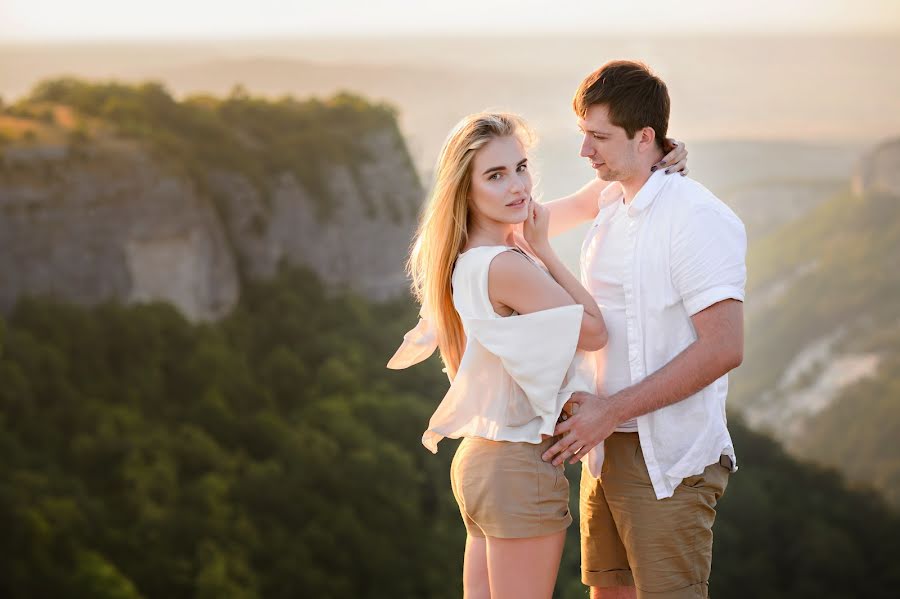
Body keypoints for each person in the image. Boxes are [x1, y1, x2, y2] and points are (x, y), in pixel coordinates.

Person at [387, 111, 687, 599]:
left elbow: (593, 198)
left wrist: (656, 157)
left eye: (521, 166)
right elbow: (593, 332)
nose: (518, 186)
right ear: (466, 189)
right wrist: (545, 251)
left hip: (480, 461)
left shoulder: (470, 251)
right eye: (496, 175)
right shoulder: (508, 264)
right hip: (518, 464)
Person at [541, 60, 747, 599]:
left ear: (645, 137)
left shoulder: (695, 217)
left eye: (598, 137)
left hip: (666, 459)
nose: (585, 152)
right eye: (584, 135)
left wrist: (612, 410)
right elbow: (525, 220)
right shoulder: (610, 198)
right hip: (602, 446)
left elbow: (725, 347)